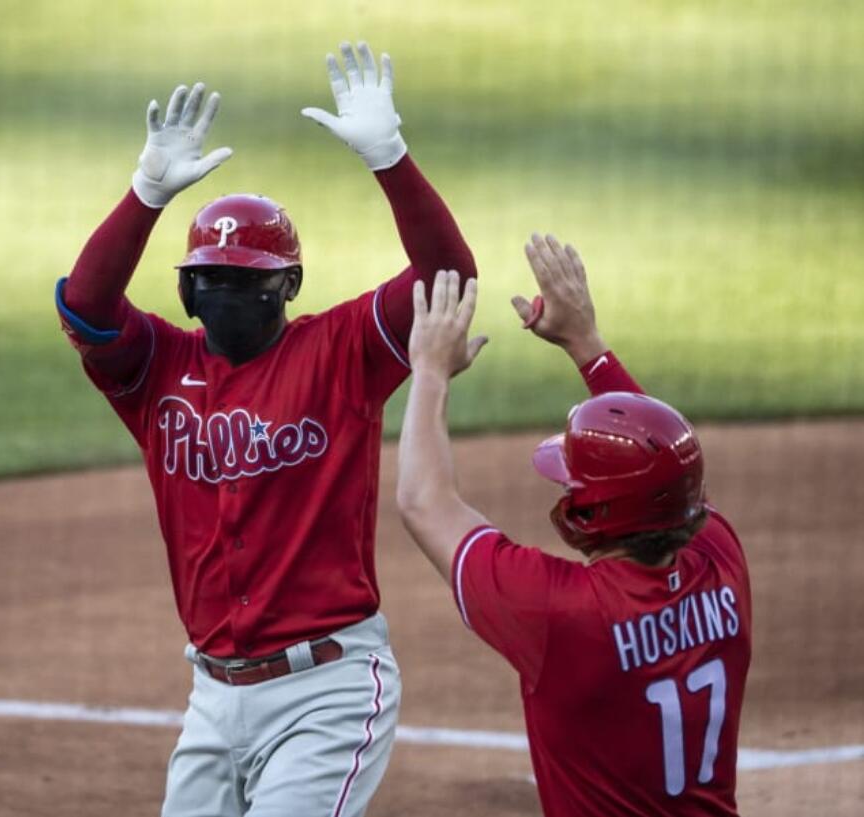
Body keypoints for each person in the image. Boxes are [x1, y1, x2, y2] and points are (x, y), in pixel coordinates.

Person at [55, 42, 477, 816]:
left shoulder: (341, 352)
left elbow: (447, 279)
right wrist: (145, 193)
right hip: (212, 696)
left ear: (287, 285)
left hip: (328, 690)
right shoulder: (155, 370)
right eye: (209, 279)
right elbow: (85, 307)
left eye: (246, 278)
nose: (225, 290)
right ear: (185, 292)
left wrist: (391, 158)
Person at [395, 236, 752, 816]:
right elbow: (667, 461)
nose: (567, 488)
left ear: (596, 515)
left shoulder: (561, 615)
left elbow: (422, 501)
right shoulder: (722, 561)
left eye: (574, 484)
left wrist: (430, 369)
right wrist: (586, 342)